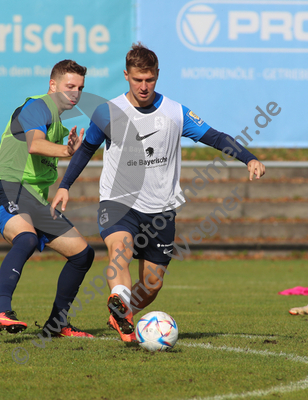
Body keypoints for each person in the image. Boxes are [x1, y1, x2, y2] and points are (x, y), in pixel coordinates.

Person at [51, 43, 266, 342]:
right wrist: (64, 185)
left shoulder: (175, 113)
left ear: (157, 76)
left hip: (161, 210)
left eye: (149, 79)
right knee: (119, 252)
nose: (143, 86)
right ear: (126, 75)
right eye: (137, 79)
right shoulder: (108, 112)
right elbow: (86, 150)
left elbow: (215, 137)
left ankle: (123, 315)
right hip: (118, 202)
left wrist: (249, 158)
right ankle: (120, 297)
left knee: (152, 284)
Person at [0, 59, 94, 338]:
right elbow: (34, 144)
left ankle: (57, 324)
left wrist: (69, 151)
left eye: (80, 88)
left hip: (33, 199)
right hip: (7, 187)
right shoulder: (36, 106)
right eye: (69, 86)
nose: (75, 93)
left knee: (82, 254)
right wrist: (67, 151)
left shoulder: (58, 122)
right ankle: (1, 311)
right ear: (52, 85)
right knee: (27, 238)